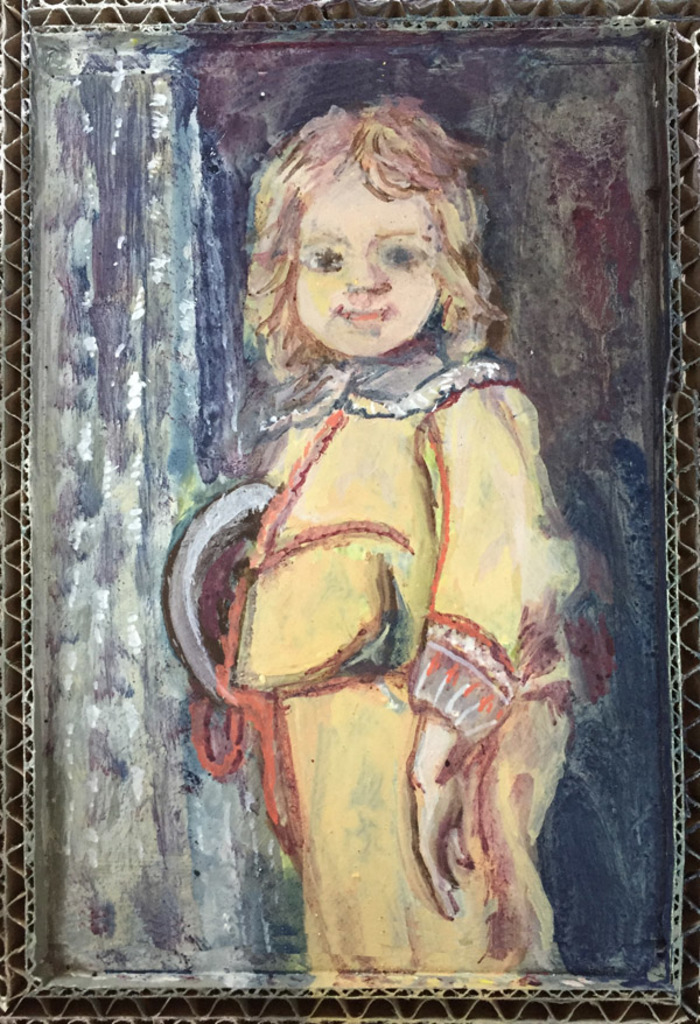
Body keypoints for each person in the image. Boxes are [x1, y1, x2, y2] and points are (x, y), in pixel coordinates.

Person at [168, 99, 582, 980]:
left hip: (431, 762)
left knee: (457, 945)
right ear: (287, 275)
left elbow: (493, 581)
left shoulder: (468, 412)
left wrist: (438, 754)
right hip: (331, 761)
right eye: (328, 259)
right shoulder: (313, 427)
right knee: (351, 955)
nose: (364, 286)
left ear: (449, 267)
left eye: (399, 255)